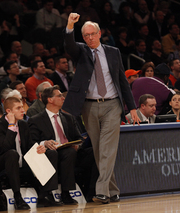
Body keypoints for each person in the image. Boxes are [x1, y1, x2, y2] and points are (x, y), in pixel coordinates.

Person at [63, 13, 139, 204]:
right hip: (88, 107)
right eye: (85, 35)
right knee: (99, 150)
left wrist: (132, 108)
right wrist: (70, 25)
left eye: (92, 34)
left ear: (99, 34)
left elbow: (122, 81)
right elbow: (69, 46)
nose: (89, 38)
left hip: (112, 105)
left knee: (106, 149)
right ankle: (113, 191)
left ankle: (102, 192)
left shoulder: (113, 52)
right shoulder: (81, 51)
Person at [0, 97, 61, 209]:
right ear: (9, 111)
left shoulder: (23, 124)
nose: (23, 110)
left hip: (23, 161)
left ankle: (45, 195)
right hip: (3, 164)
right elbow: (5, 147)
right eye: (18, 108)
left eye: (22, 107)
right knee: (12, 154)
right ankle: (17, 197)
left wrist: (39, 149)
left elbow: (30, 146)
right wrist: (11, 125)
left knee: (51, 153)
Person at [28, 86, 80, 204]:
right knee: (52, 153)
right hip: (47, 152)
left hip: (66, 150)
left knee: (71, 152)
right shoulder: (36, 119)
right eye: (59, 96)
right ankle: (46, 194)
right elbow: (32, 142)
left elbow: (78, 137)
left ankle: (66, 194)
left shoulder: (68, 117)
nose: (63, 98)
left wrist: (77, 144)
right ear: (50, 100)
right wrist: (44, 143)